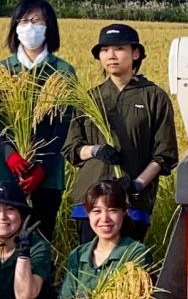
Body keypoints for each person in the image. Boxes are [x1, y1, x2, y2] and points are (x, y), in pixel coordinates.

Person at [64, 24, 178, 243]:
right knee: (90, 265)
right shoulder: (89, 99)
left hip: (132, 202)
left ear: (135, 53)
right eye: (104, 50)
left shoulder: (154, 97)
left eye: (118, 48)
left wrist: (137, 184)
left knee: (126, 267)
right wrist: (95, 150)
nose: (111, 56)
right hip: (89, 201)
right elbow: (72, 149)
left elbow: (165, 154)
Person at [0, 0, 75, 241]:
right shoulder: (1, 70)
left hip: (46, 174)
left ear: (49, 26)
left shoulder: (62, 72)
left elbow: (63, 128)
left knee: (38, 242)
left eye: (37, 20)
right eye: (24, 20)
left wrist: (41, 168)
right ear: (15, 27)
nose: (30, 26)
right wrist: (9, 154)